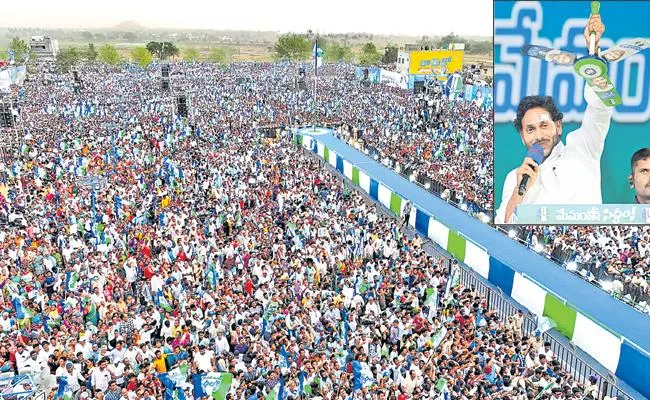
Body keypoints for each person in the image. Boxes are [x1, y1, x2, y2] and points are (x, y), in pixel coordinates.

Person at [495, 12, 613, 224]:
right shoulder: (515, 177)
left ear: (558, 126)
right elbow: (504, 225)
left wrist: (593, 56)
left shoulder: (583, 148)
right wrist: (520, 191)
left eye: (544, 125)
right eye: (530, 129)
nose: (539, 135)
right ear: (522, 137)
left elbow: (600, 107)